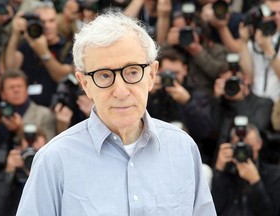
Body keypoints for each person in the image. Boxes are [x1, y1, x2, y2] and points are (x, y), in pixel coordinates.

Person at [16, 12, 216, 215]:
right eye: (104, 75)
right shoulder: (53, 161)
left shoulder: (183, 149)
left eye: (132, 72)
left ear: (152, 74)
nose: (120, 91)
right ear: (84, 83)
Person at [147, 46, 215, 165]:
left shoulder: (197, 93)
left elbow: (206, 132)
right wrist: (148, 95)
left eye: (176, 73)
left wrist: (187, 102)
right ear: (159, 71)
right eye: (168, 73)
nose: (172, 78)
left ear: (185, 70)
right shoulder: (152, 92)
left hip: (191, 153)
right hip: (155, 152)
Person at [4, 1, 73, 107]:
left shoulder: (68, 47)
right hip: (28, 111)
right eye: (42, 22)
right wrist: (15, 34)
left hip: (56, 109)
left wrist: (43, 52)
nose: (47, 26)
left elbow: (63, 77)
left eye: (51, 21)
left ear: (57, 21)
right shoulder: (26, 45)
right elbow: (10, 68)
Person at [211, 123, 280, 216]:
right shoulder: (226, 174)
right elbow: (212, 209)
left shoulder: (274, 175)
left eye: (248, 147)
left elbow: (270, 213)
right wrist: (219, 170)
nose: (243, 153)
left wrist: (255, 182)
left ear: (259, 144)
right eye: (239, 147)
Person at [0, 126, 47, 216]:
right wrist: (8, 173)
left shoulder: (50, 175)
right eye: (29, 150)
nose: (32, 156)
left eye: (38, 151)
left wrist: (37, 175)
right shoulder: (11, 176)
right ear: (19, 149)